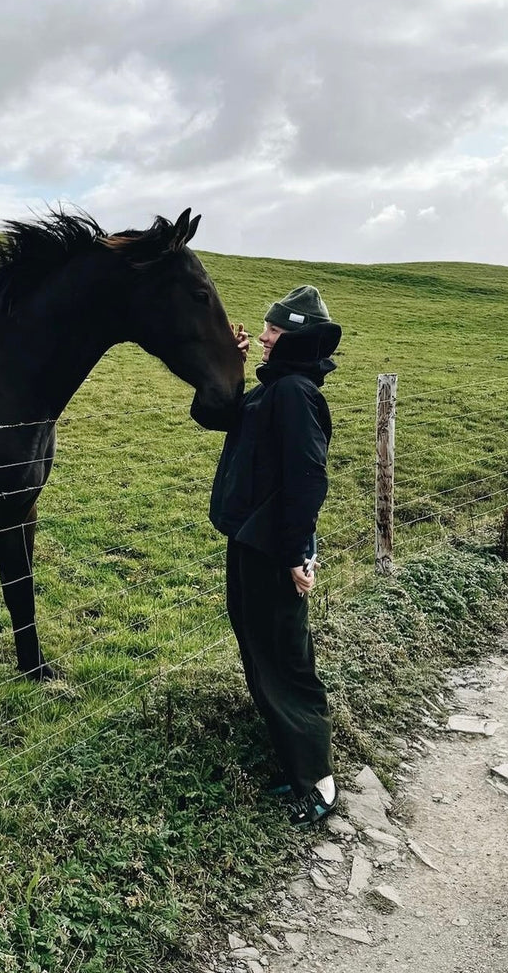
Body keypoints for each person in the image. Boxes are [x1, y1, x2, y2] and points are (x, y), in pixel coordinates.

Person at [209, 285, 341, 826]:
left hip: (272, 549)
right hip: (249, 542)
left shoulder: (295, 395)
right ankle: (293, 763)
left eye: (275, 331)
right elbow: (214, 416)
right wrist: (228, 366)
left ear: (297, 340)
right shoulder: (271, 389)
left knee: (286, 658)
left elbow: (308, 479)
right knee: (261, 651)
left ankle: (320, 781)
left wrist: (296, 553)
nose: (263, 336)